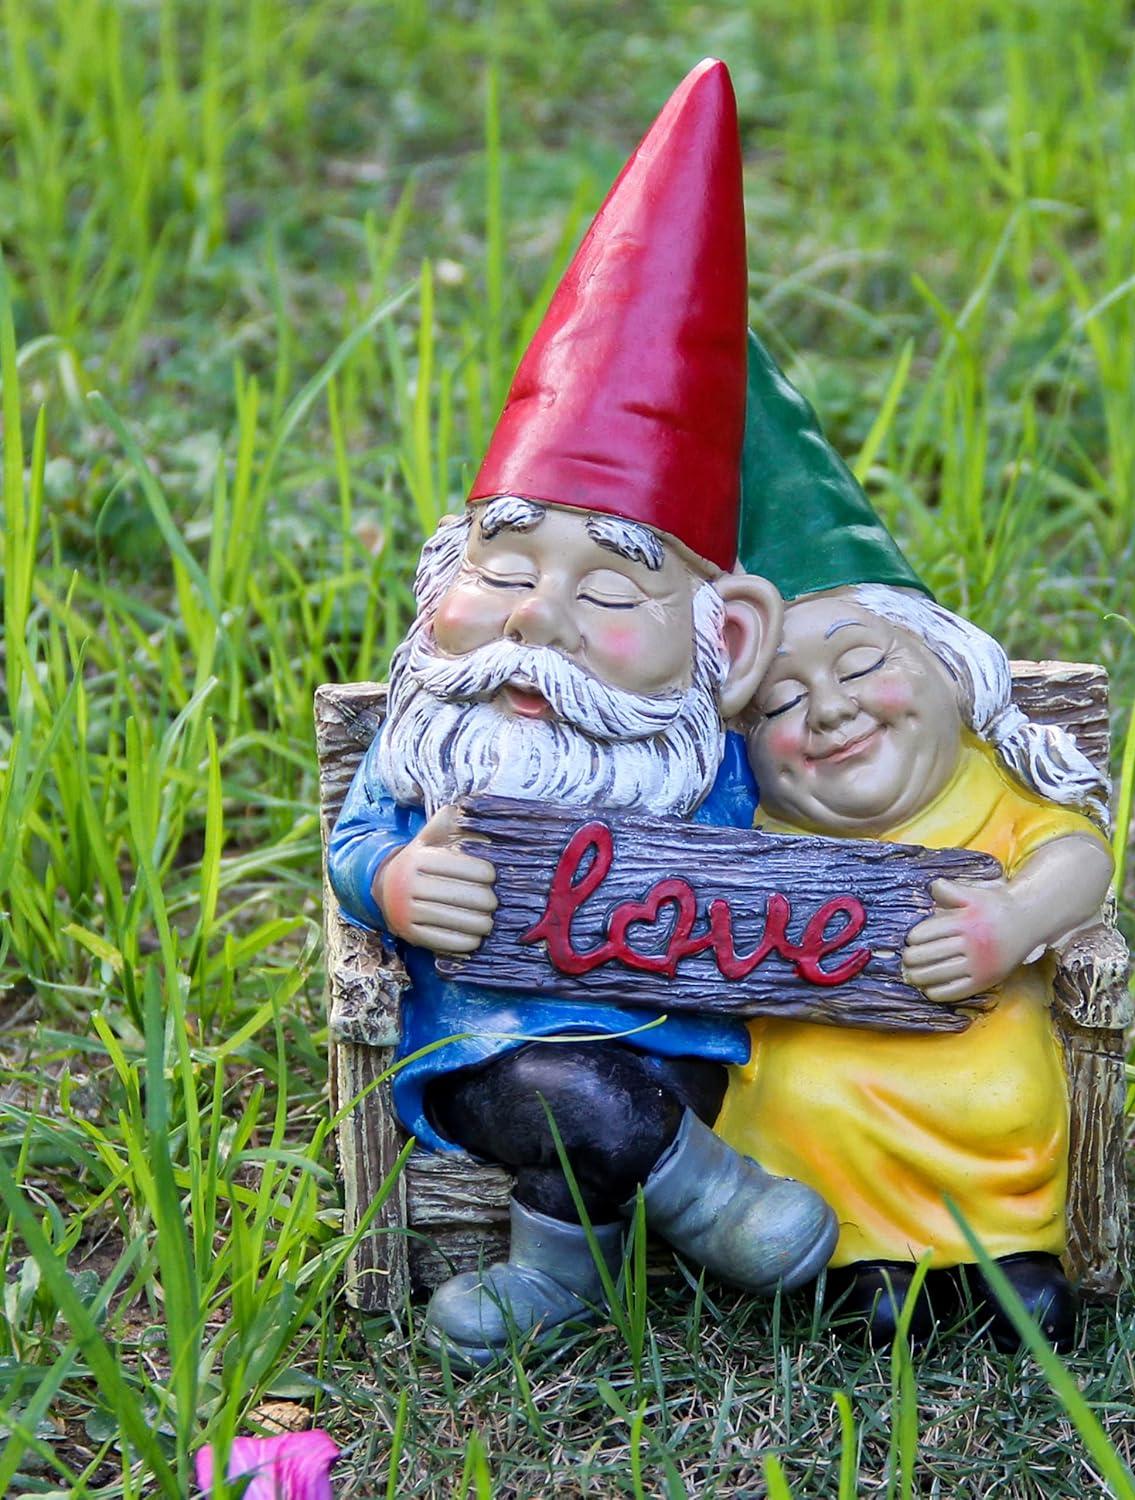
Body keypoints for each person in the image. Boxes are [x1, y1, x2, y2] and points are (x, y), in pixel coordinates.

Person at [327, 67, 835, 1367]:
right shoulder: (428, 738)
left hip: (673, 1035)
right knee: (556, 1093)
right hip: (482, 1039)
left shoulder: (694, 743)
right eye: (503, 571)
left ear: (716, 640)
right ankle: (706, 1205)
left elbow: (788, 866)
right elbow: (355, 844)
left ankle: (564, 1271)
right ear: (442, 581)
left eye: (608, 586)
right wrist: (393, 878)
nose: (537, 618)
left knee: (625, 1089)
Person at [713, 335, 1114, 1347]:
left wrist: (1015, 918)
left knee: (1011, 1087)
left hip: (978, 1023)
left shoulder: (990, 782)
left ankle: (1012, 1258)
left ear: (947, 672)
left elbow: (1080, 858)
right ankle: (868, 1265)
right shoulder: (747, 829)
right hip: (819, 1038)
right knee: (805, 1094)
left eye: (860, 667)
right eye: (783, 702)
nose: (831, 711)